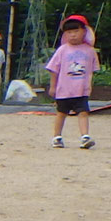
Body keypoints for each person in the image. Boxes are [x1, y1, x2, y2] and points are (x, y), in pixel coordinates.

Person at [46, 13, 98, 149]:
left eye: (76, 31)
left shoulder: (90, 51)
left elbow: (91, 70)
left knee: (83, 112)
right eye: (69, 32)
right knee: (61, 113)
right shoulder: (62, 50)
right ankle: (57, 137)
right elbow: (53, 69)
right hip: (64, 90)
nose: (73, 35)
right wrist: (53, 86)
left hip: (81, 90)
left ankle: (85, 137)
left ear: (84, 32)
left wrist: (89, 86)